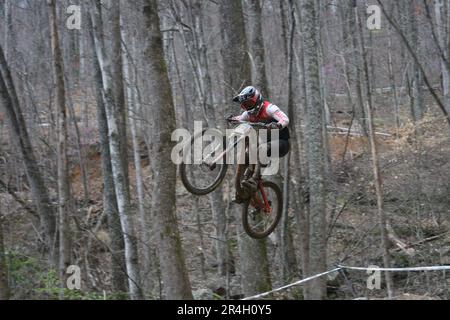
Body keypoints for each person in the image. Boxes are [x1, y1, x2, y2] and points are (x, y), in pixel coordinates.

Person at [228, 86, 290, 201]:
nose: (248, 107)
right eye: (245, 105)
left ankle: (255, 179)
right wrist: (232, 119)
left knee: (262, 149)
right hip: (265, 143)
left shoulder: (269, 108)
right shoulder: (248, 114)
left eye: (249, 103)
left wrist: (278, 125)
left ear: (257, 99)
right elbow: (240, 118)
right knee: (246, 155)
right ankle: (243, 186)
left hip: (282, 143)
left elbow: (285, 119)